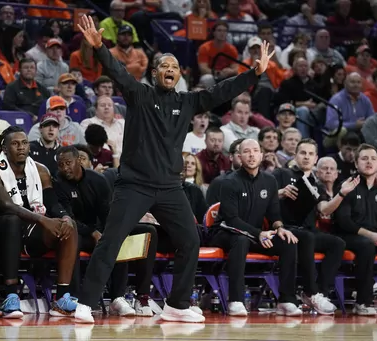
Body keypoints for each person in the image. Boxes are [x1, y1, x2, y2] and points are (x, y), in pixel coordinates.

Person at [74, 15, 274, 323]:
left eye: (174, 68)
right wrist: (100, 48)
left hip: (170, 187)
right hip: (134, 185)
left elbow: (220, 91)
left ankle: (177, 304)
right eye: (164, 67)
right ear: (154, 73)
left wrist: (253, 74)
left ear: (179, 76)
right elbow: (118, 73)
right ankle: (85, 303)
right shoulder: (140, 95)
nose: (170, 70)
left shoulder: (189, 101)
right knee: (112, 240)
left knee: (190, 240)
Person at [0, 126, 79, 317]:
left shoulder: (40, 170)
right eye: (15, 144)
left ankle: (61, 298)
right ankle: (11, 295)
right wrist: (43, 220)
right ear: (4, 148)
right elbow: (6, 205)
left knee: (69, 226)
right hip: (0, 228)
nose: (21, 147)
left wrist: (64, 216)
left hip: (32, 228)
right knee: (12, 220)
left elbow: (52, 202)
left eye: (24, 143)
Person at [55, 146, 158, 316]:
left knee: (137, 233)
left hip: (100, 229)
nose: (65, 168)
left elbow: (107, 213)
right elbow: (68, 218)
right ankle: (73, 297)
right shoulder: (58, 183)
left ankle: (126, 297)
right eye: (61, 165)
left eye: (68, 163)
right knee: (73, 239)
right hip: (77, 232)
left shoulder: (97, 180)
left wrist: (109, 233)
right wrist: (92, 232)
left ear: (79, 161)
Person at [210, 139, 301, 316]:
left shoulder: (270, 181)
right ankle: (235, 300)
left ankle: (286, 300)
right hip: (225, 232)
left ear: (261, 155)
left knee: (288, 242)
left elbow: (274, 214)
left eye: (255, 151)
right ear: (239, 156)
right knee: (241, 239)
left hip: (256, 235)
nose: (251, 155)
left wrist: (280, 228)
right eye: (246, 151)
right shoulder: (228, 182)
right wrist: (259, 233)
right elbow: (232, 219)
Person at [273, 138, 359, 315]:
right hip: (285, 228)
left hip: (308, 230)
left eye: (311, 154)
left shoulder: (315, 183)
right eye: (303, 153)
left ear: (315, 158)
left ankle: (320, 292)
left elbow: (325, 209)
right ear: (295, 155)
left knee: (337, 243)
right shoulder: (281, 174)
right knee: (307, 237)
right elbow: (263, 197)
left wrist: (341, 193)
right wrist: (280, 193)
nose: (306, 157)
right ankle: (310, 291)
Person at [334, 143, 377, 316]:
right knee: (366, 245)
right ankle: (363, 302)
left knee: (370, 243)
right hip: (346, 236)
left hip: (372, 237)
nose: (369, 162)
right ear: (356, 164)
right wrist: (371, 235)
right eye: (364, 158)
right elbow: (343, 221)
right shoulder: (347, 186)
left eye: (373, 158)